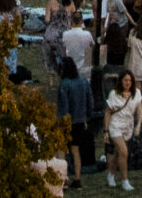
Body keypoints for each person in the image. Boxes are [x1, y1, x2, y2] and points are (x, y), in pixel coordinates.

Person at [55, 55, 94, 191]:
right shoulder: (84, 82)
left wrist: (62, 120)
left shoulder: (64, 84)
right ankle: (78, 180)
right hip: (80, 121)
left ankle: (64, 179)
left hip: (67, 121)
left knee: (61, 150)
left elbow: (64, 105)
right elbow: (90, 101)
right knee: (76, 151)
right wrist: (87, 118)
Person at [104, 70, 142, 191]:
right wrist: (106, 131)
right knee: (123, 151)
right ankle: (125, 181)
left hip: (128, 126)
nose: (128, 83)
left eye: (130, 80)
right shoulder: (114, 94)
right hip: (115, 125)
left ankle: (111, 175)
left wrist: (138, 126)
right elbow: (107, 112)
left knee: (118, 153)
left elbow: (140, 110)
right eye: (125, 80)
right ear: (121, 81)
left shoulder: (136, 93)